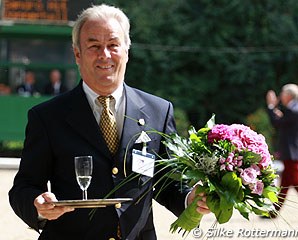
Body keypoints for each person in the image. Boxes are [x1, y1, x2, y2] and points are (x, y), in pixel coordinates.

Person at [9, 4, 210, 240]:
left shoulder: (159, 111)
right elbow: (23, 187)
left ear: (127, 50)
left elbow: (166, 181)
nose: (104, 54)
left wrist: (190, 198)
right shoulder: (47, 117)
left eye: (113, 45)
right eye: (94, 46)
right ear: (77, 54)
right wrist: (38, 204)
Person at [266, 83, 298, 216]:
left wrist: (271, 106)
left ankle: (273, 211)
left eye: (282, 93)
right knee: (286, 183)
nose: (280, 96)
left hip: (292, 152)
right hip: (293, 151)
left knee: (296, 181)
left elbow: (277, 123)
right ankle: (274, 211)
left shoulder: (293, 110)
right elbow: (285, 122)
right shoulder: (297, 108)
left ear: (289, 95)